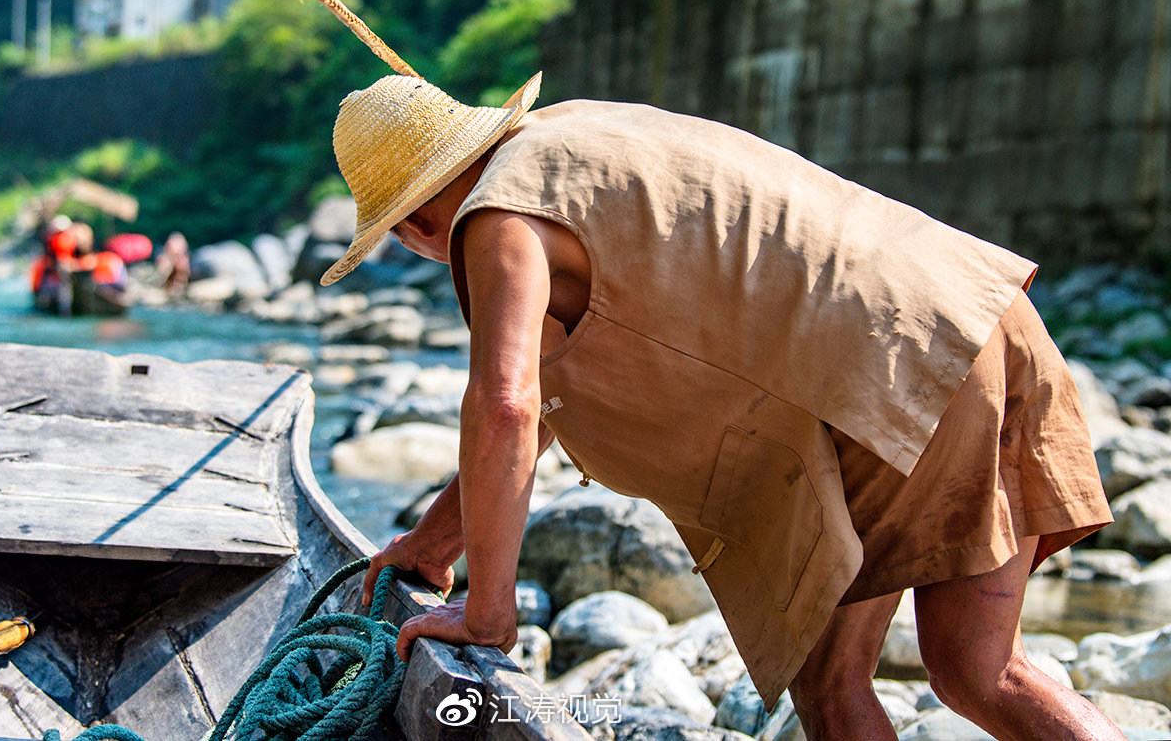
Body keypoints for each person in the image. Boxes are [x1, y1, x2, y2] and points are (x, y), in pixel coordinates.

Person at [329, 72, 1121, 739]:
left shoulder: (495, 217)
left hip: (892, 376)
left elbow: (506, 404)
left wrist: (488, 616)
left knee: (836, 687)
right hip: (976, 314)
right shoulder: (574, 132)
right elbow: (538, 409)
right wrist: (434, 544)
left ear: (414, 224)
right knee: (981, 672)